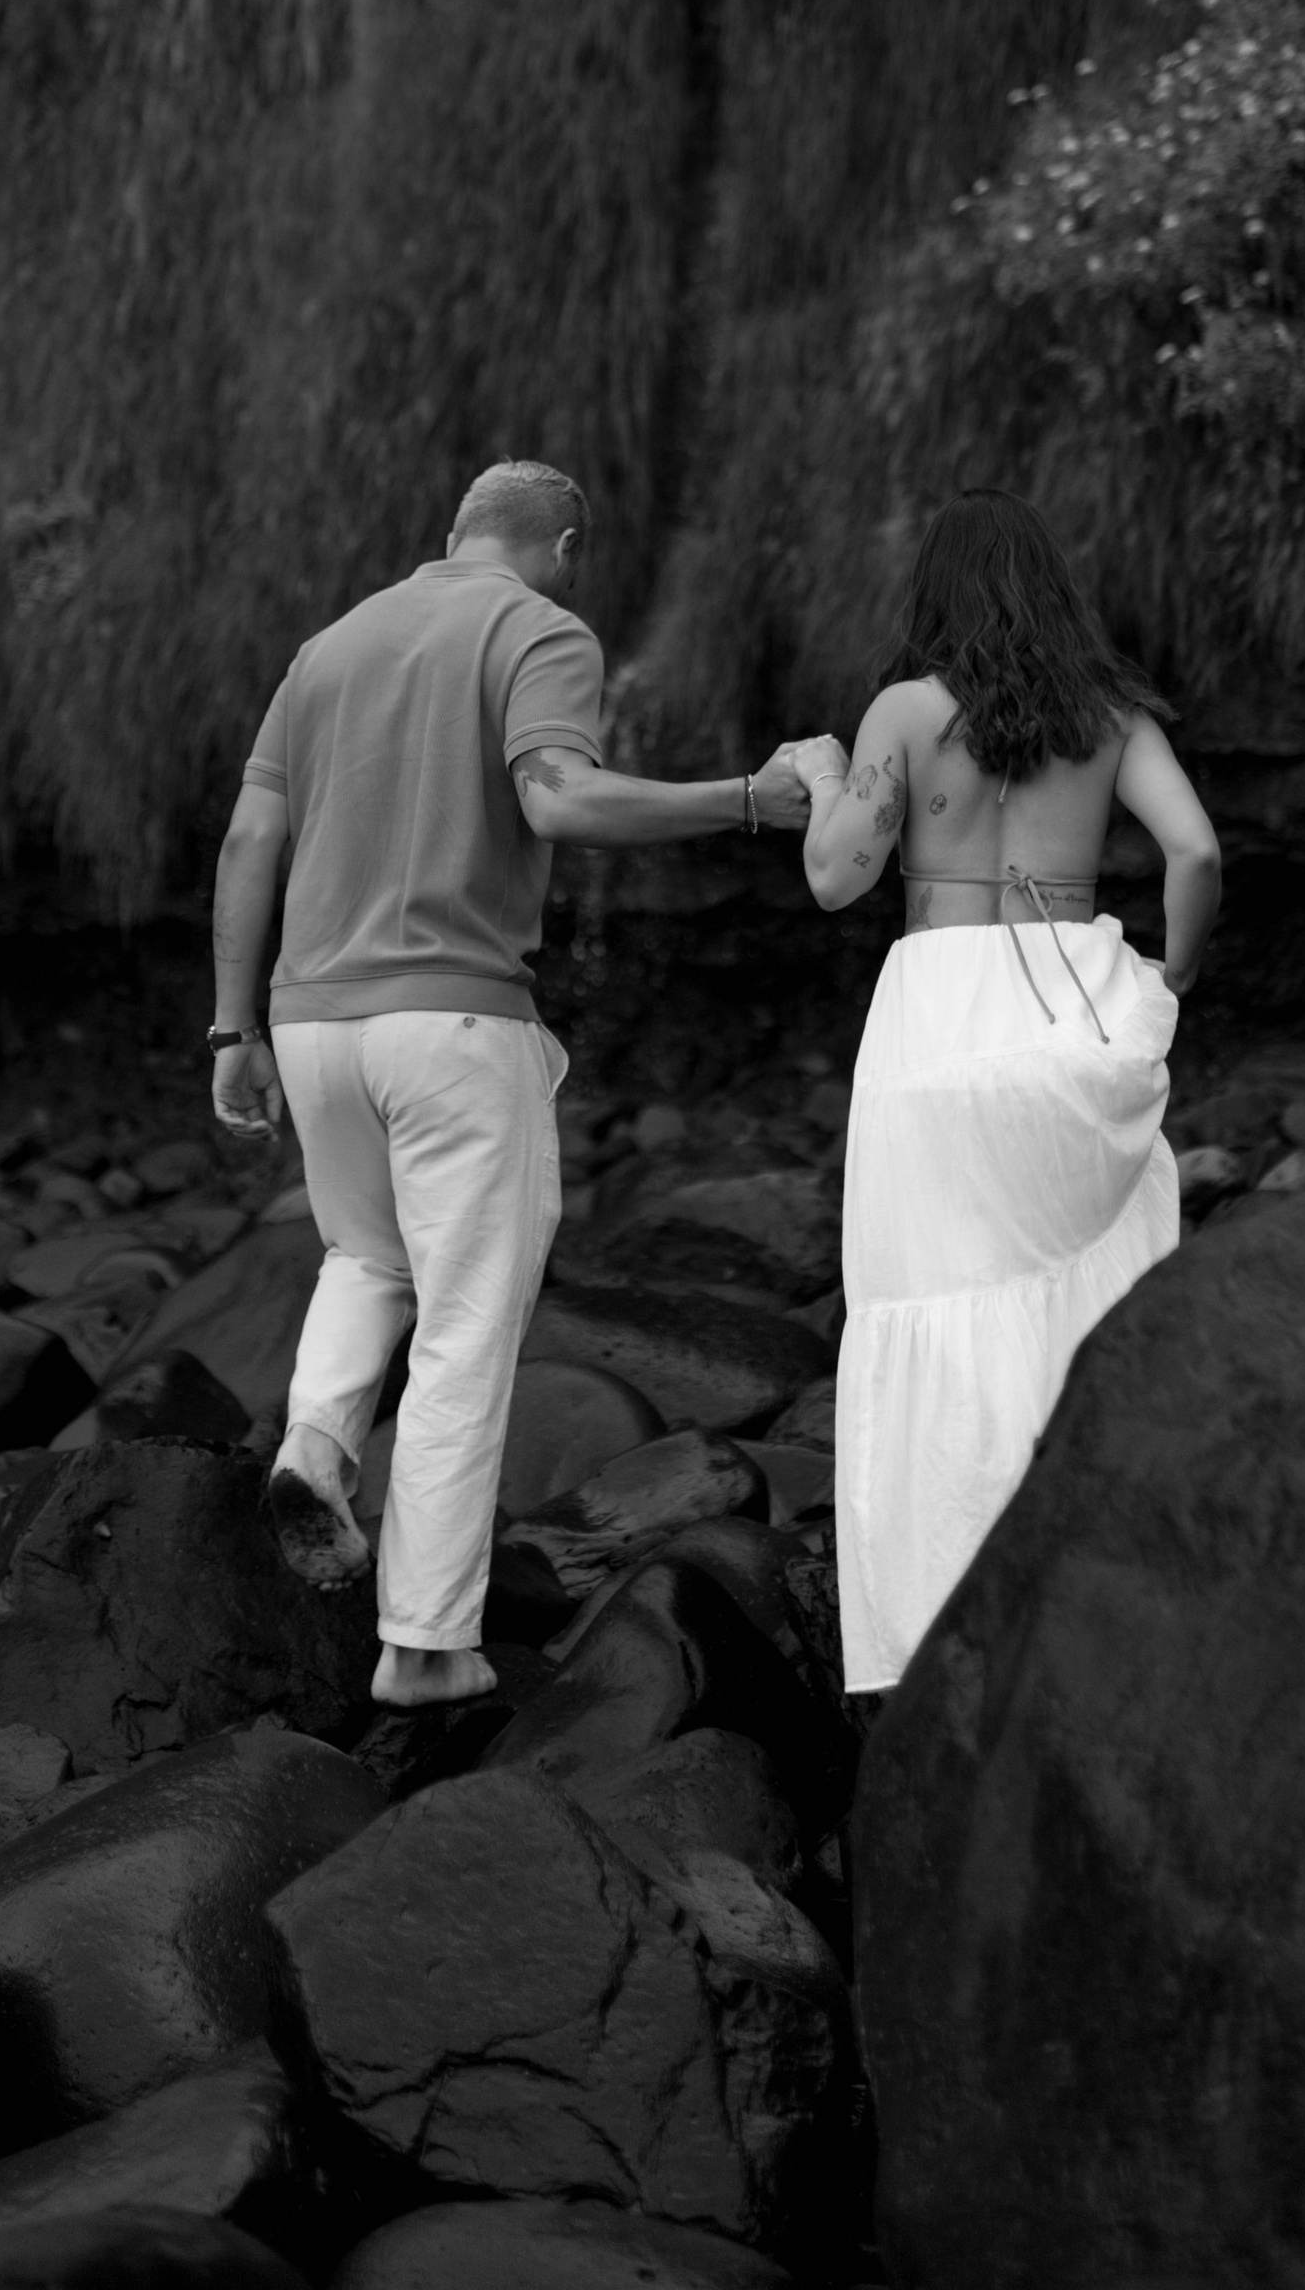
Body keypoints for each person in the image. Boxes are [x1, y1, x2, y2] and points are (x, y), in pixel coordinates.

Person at [207, 458, 818, 1710]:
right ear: (565, 544)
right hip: (450, 1024)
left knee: (367, 1261)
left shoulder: (327, 647)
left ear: (451, 534)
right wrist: (747, 801)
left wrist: (231, 1033)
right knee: (468, 1326)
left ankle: (317, 1448)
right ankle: (425, 1644)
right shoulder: (538, 627)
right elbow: (559, 797)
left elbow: (249, 839)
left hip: (311, 1022)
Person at [792, 486, 1221, 1696]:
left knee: (928, 1297)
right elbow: (1194, 852)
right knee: (1081, 1290)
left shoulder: (905, 714)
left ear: (935, 591)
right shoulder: (1112, 715)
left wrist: (828, 775)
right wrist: (1170, 976)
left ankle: (937, 1619)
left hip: (937, 1013)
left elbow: (836, 878)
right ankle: (1087, 1576)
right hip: (1069, 997)